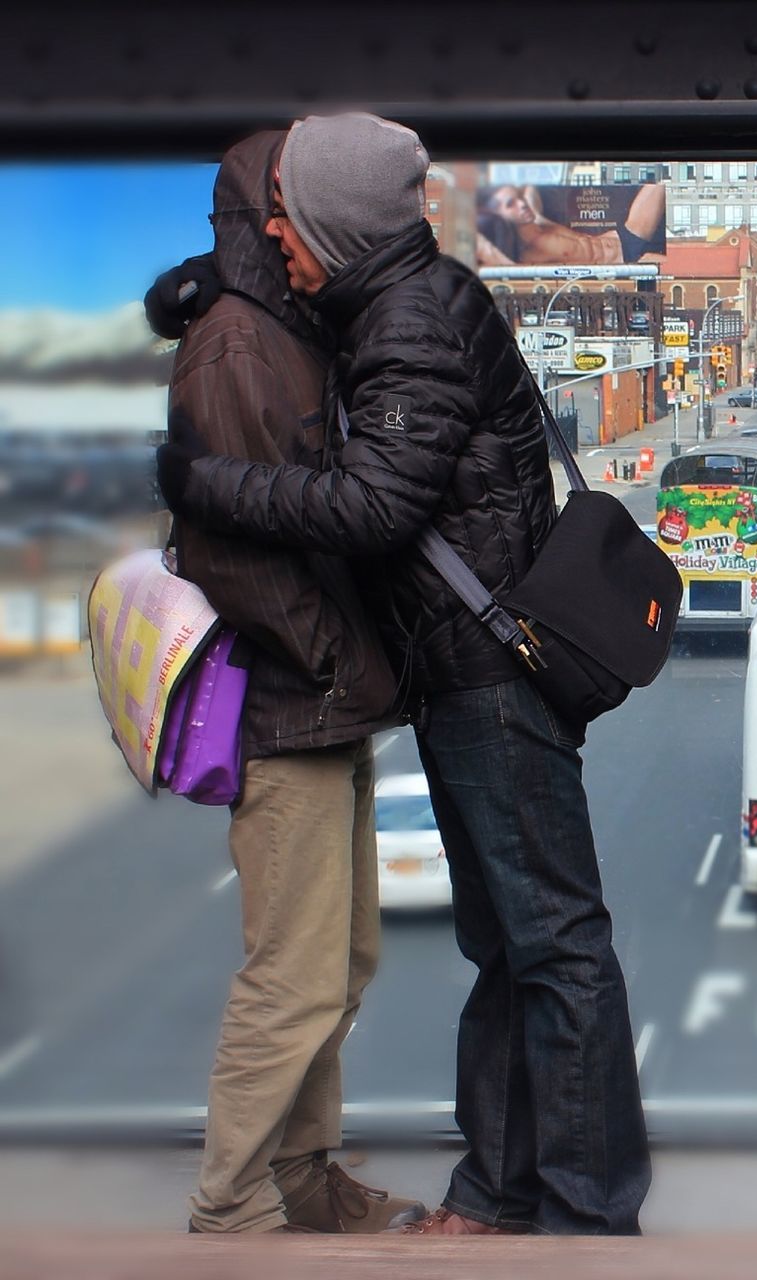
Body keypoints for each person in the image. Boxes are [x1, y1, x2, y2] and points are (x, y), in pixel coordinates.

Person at [154, 112, 651, 1237]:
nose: (275, 235)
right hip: (473, 667)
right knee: (514, 948)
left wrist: (206, 483)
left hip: (485, 678)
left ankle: (577, 1212)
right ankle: (503, 1191)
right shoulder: (409, 297)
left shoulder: (409, 321)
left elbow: (375, 506)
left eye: (291, 215)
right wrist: (212, 281)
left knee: (554, 949)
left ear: (333, 224)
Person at [156, 130, 426, 1235]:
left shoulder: (287, 330)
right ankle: (230, 1206)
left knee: (342, 957)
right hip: (288, 703)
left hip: (325, 699)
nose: (293, 225)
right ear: (258, 217)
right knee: (294, 973)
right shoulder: (237, 347)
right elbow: (233, 548)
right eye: (283, 202)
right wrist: (330, 661)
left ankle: (307, 1174)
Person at [476, 182, 665, 268]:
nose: (521, 204)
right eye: (511, 204)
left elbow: (528, 184)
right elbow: (485, 251)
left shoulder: (538, 221)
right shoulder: (524, 253)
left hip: (625, 236)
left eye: (518, 199)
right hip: (627, 262)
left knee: (660, 180)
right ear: (498, 216)